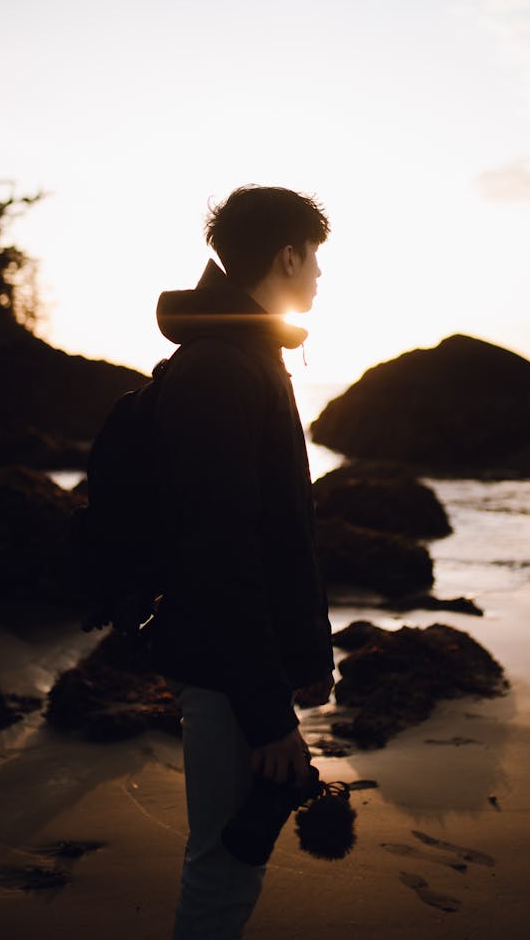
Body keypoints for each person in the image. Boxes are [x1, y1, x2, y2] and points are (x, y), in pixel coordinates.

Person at [150, 184, 335, 939]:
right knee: (223, 869)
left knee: (228, 863)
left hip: (240, 661)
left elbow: (282, 529)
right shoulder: (225, 368)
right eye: (315, 257)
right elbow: (222, 553)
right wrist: (267, 716)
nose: (320, 276)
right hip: (226, 666)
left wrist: (308, 651)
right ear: (287, 254)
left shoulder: (251, 354)